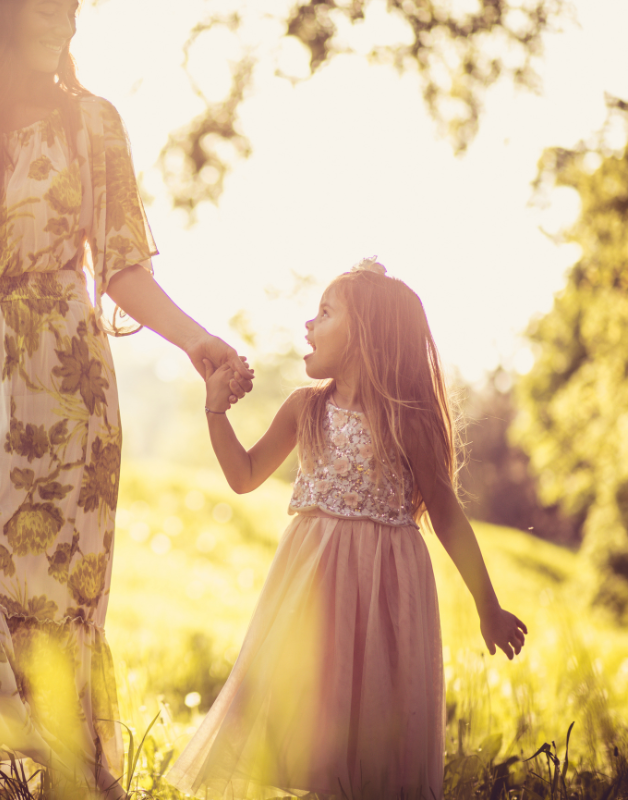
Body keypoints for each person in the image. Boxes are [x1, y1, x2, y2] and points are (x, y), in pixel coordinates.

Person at [0, 0, 254, 797]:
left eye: (77, 9)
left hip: (64, 388)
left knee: (53, 611)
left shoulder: (93, 122)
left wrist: (198, 344)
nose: (70, 22)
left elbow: (121, 265)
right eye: (53, 4)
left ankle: (73, 784)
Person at [166, 258, 528, 799]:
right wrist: (216, 412)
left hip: (387, 591)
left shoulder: (409, 421)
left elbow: (448, 515)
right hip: (311, 588)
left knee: (374, 727)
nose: (307, 325)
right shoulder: (305, 408)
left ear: (366, 334)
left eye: (324, 312)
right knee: (309, 721)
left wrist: (488, 606)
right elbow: (243, 476)